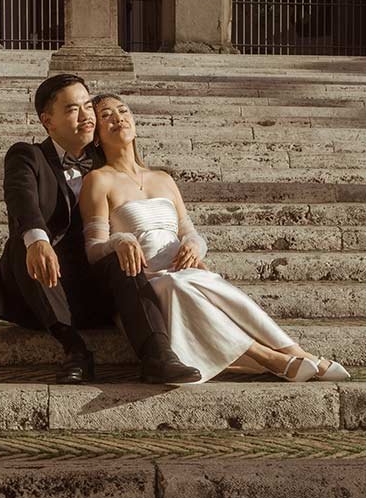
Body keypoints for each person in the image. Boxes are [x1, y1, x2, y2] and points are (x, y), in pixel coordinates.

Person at [79, 93, 350, 383]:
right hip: (147, 283)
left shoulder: (163, 179)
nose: (118, 118)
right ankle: (271, 358)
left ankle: (299, 353)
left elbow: (191, 233)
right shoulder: (98, 180)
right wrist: (119, 240)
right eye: (106, 115)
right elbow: (94, 249)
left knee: (196, 281)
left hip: (186, 271)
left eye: (123, 111)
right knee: (174, 285)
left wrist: (194, 246)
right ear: (96, 136)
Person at [0, 74, 201, 385]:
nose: (86, 116)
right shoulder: (28, 156)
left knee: (122, 250)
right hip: (43, 286)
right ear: (48, 121)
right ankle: (75, 351)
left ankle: (158, 356)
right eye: (72, 109)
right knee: (25, 241)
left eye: (88, 107)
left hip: (98, 286)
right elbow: (21, 201)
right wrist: (37, 240)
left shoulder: (106, 163)